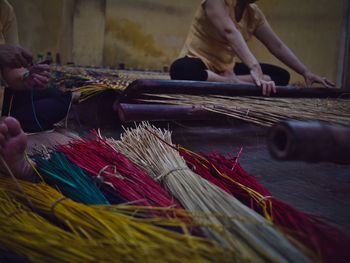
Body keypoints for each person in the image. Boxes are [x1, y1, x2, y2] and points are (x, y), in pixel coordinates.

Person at [170, 0, 335, 95]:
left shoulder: (254, 13)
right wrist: (254, 67)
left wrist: (306, 72)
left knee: (281, 76)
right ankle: (231, 82)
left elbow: (276, 45)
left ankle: (229, 80)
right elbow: (229, 31)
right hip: (199, 62)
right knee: (180, 70)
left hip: (227, 68)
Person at [0, 0, 72, 133]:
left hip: (5, 101)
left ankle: (8, 123)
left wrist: (27, 78)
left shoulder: (5, 10)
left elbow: (12, 73)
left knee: (61, 97)